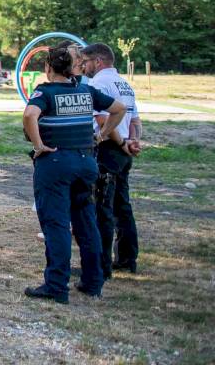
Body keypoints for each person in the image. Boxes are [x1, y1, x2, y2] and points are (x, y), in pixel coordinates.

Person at [23, 45, 127, 304]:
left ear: (49, 68)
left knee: (55, 223)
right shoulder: (85, 90)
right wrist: (101, 136)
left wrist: (38, 146)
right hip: (86, 161)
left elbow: (29, 115)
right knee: (86, 223)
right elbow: (119, 109)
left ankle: (56, 285)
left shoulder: (45, 93)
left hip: (55, 162)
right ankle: (93, 281)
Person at [81, 42, 142, 276]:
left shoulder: (99, 83)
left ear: (97, 61)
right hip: (125, 150)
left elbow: (103, 120)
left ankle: (102, 264)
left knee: (102, 208)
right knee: (122, 206)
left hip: (109, 149)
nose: (83, 67)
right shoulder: (124, 83)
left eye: (86, 62)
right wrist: (133, 142)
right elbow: (135, 120)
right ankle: (127, 258)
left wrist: (120, 142)